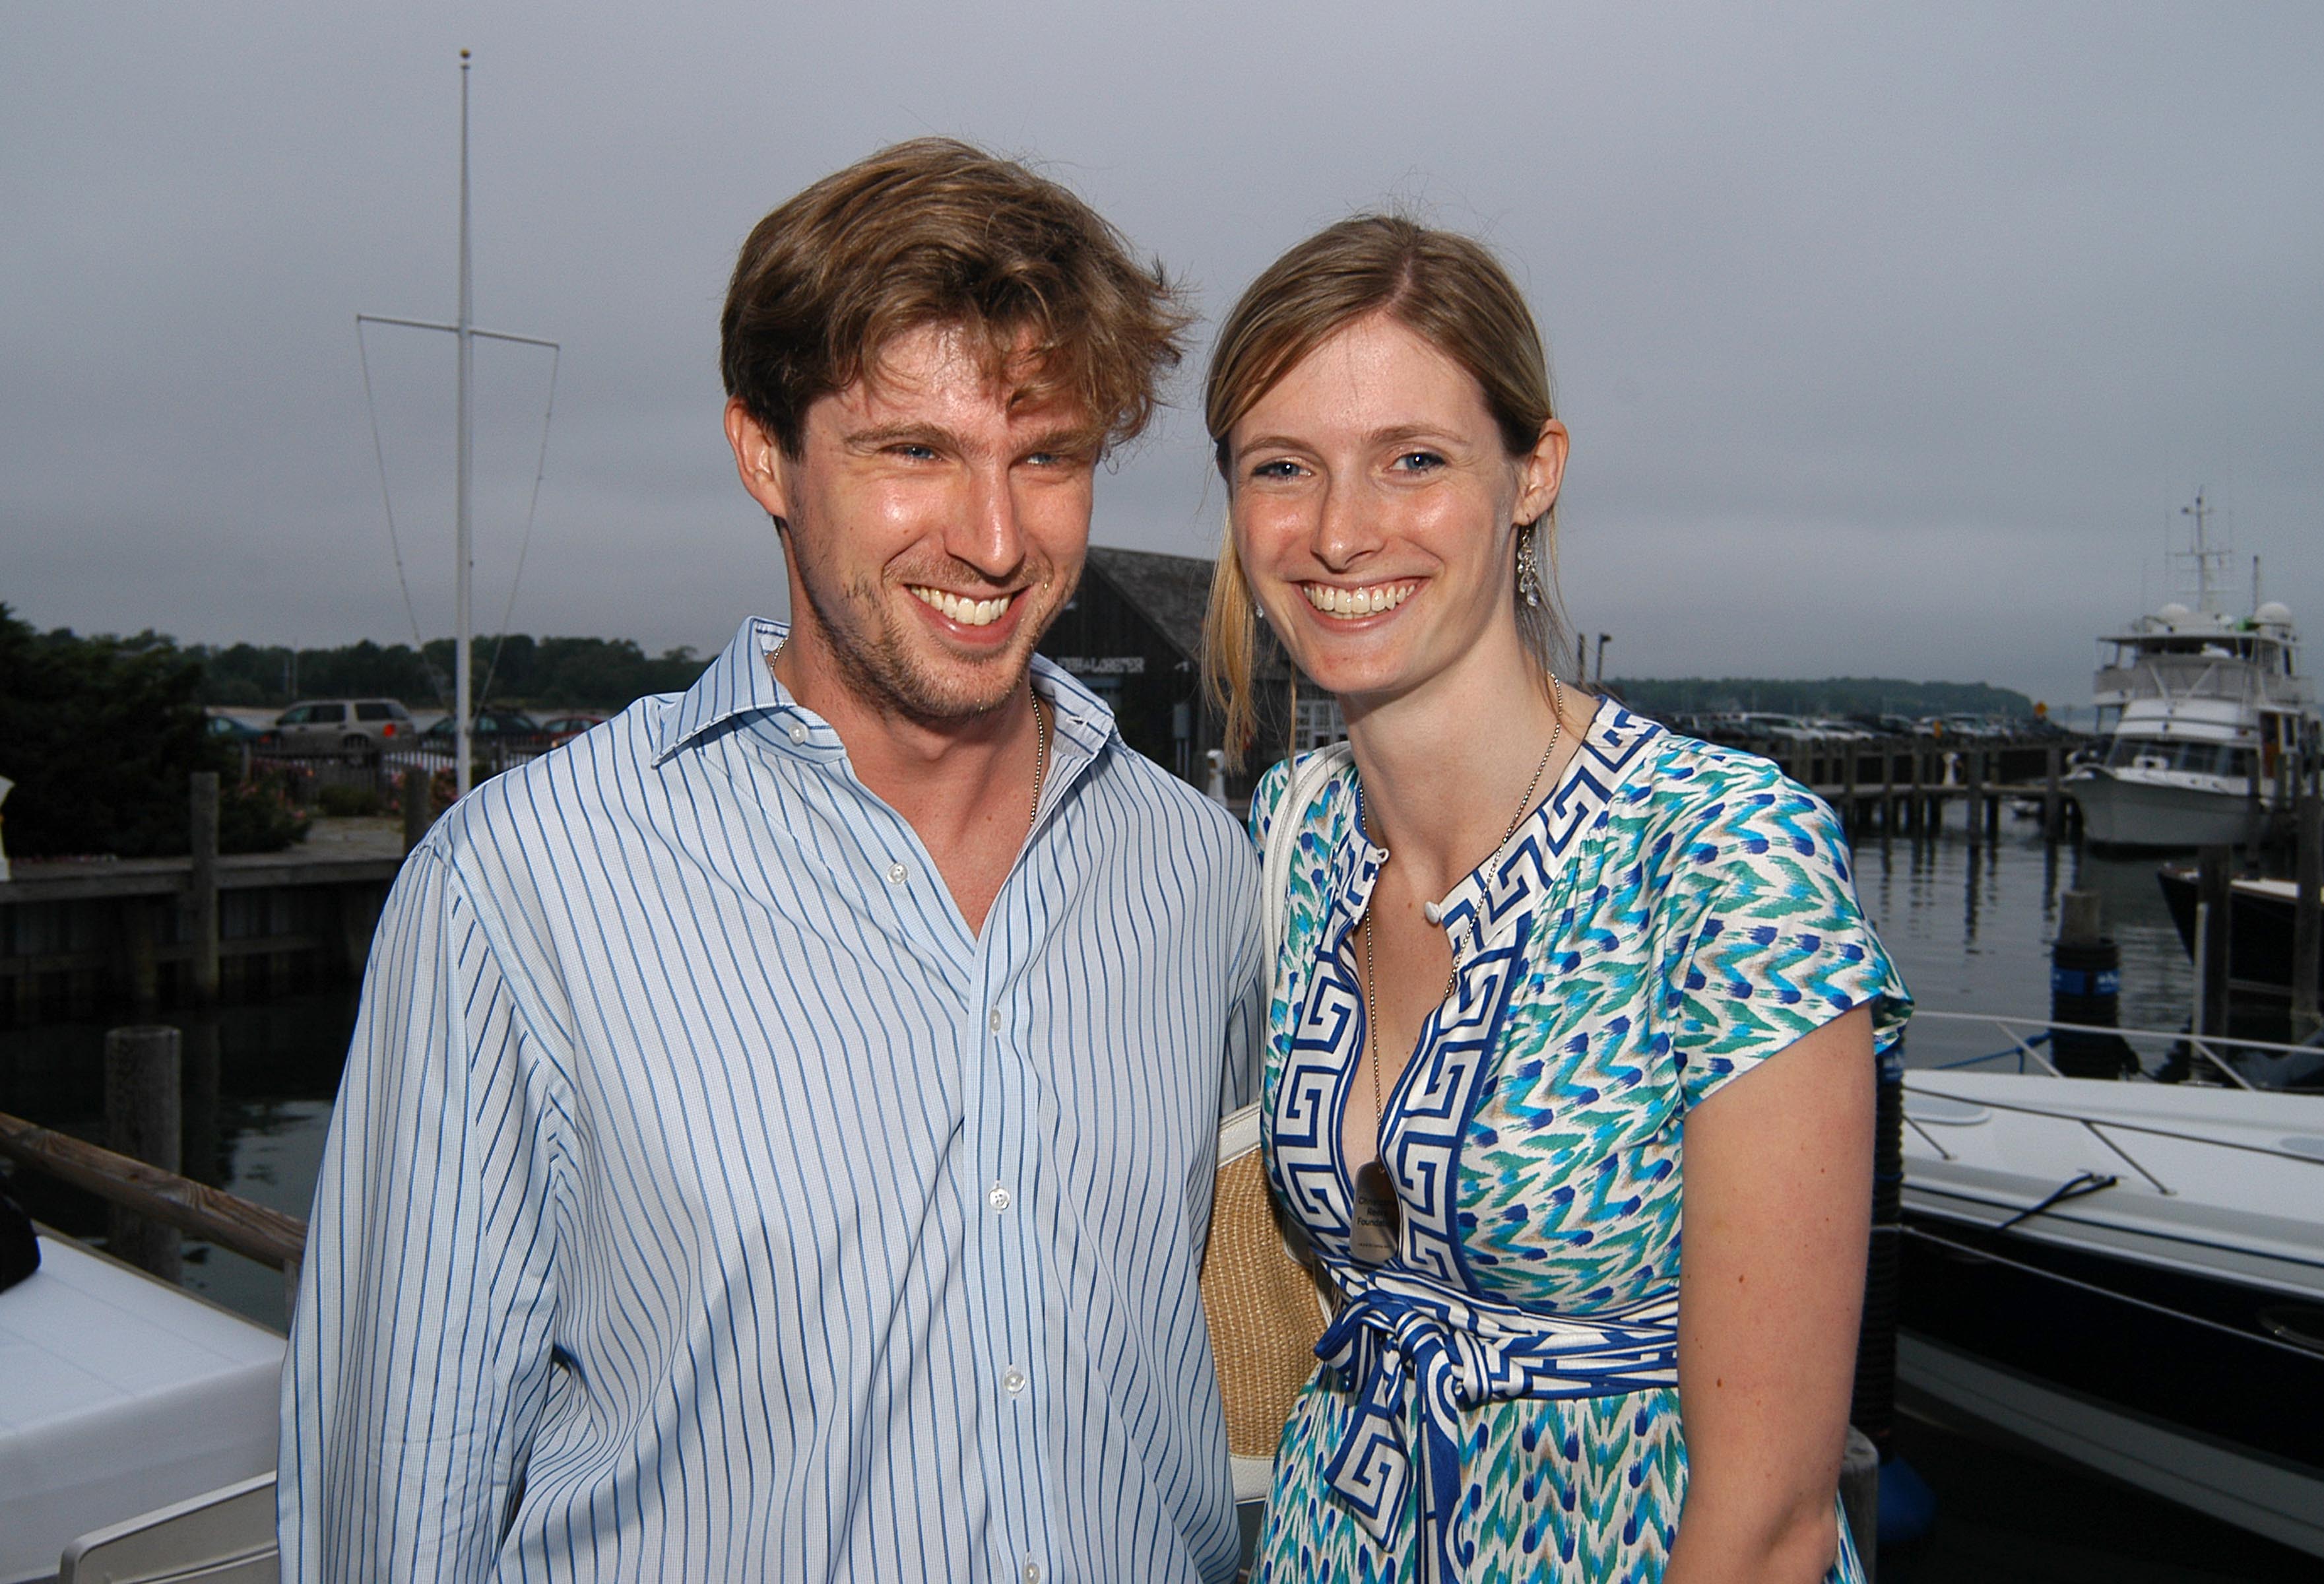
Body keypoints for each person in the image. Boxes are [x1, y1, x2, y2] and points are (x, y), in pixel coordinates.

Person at [281, 139, 1264, 1583]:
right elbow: (397, 1496)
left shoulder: (1195, 875)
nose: (995, 540)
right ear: (765, 454)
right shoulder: (523, 889)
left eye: (1045, 456)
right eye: (914, 451)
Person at [1202, 215, 1911, 1583]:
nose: (1343, 532)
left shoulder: (1721, 858)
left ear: (1534, 474)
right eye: (1284, 468)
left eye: (1415, 460)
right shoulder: (1290, 839)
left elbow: (1765, 1525)